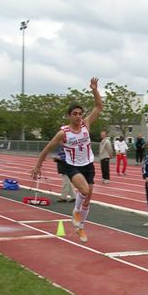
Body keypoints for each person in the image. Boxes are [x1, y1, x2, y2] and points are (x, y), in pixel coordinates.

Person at [30, 77, 103, 243]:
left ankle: (80, 227)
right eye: (75, 114)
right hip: (72, 166)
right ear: (69, 116)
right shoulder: (63, 133)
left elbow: (99, 107)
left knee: (88, 198)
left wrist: (94, 90)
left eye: (80, 114)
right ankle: (76, 211)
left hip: (88, 164)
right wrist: (37, 166)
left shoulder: (86, 125)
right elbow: (46, 149)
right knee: (84, 191)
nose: (78, 116)